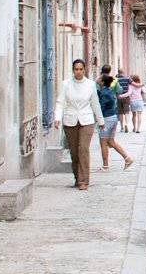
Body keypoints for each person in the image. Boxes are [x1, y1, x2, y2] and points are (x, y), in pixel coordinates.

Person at [53, 59, 105, 190]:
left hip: (87, 120)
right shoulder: (66, 84)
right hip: (70, 120)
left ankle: (84, 181)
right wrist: (57, 117)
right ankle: (77, 177)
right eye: (76, 69)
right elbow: (60, 102)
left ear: (84, 69)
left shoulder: (90, 85)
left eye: (81, 69)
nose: (78, 72)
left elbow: (95, 103)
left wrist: (101, 121)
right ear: (73, 70)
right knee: (74, 152)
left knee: (83, 149)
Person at [96, 68, 134, 171]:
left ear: (103, 82)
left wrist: (98, 119)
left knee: (103, 142)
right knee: (111, 142)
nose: (97, 80)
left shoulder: (103, 93)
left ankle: (105, 165)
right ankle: (127, 158)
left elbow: (101, 107)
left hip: (106, 119)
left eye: (99, 79)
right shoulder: (109, 92)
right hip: (113, 117)